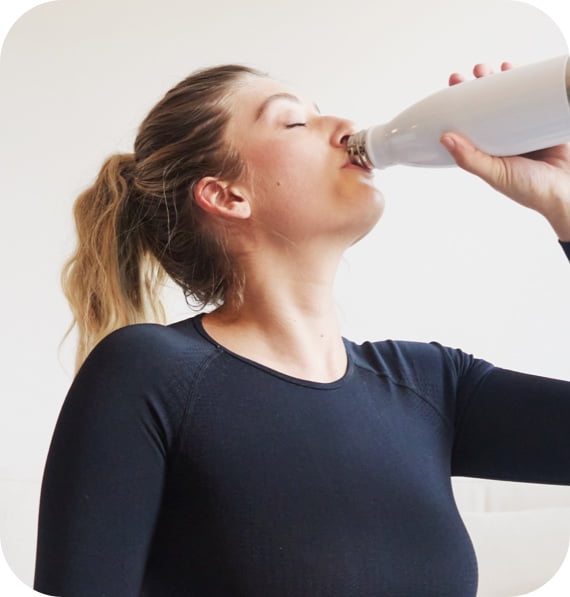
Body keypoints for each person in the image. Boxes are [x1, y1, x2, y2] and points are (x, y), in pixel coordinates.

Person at [33, 61, 570, 597]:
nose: (343, 125)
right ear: (226, 195)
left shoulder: (432, 385)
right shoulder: (149, 374)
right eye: (294, 122)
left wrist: (565, 206)